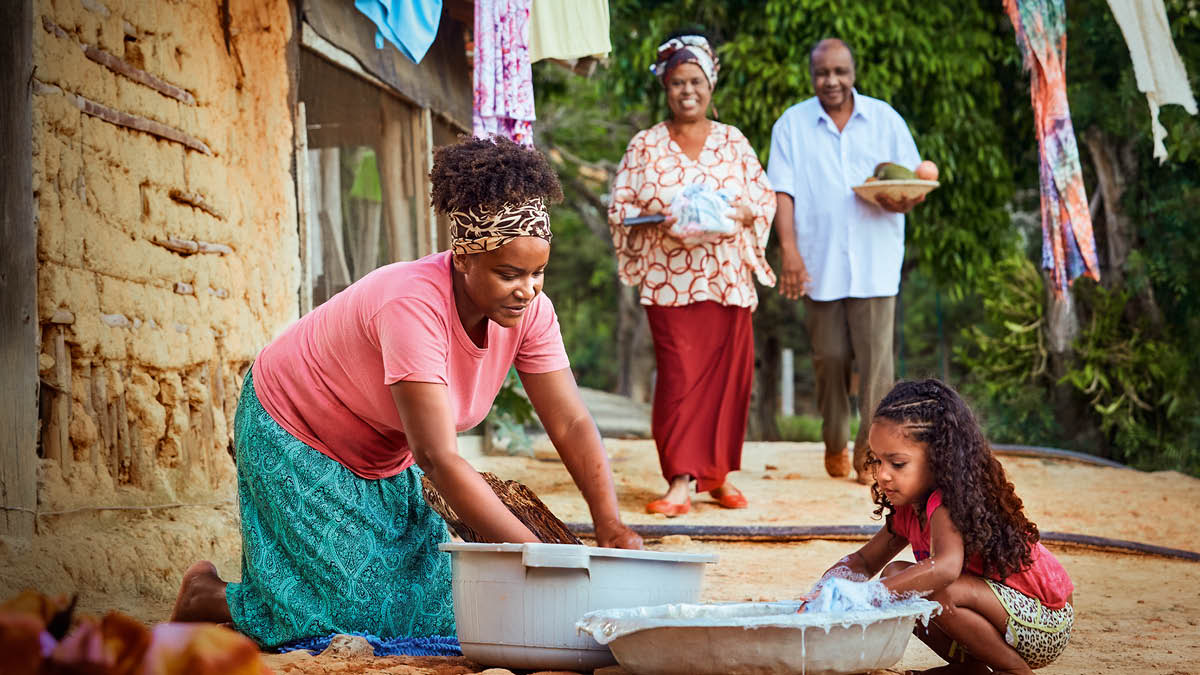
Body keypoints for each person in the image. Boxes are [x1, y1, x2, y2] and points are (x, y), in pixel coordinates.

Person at [169, 136, 643, 648]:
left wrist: (609, 523)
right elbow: (438, 458)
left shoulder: (531, 313)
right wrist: (539, 557)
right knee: (346, 616)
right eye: (509, 273)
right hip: (294, 429)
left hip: (384, 450)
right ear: (464, 259)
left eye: (537, 272)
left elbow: (570, 422)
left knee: (442, 605)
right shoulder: (412, 305)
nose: (527, 289)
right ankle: (209, 596)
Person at [607, 32, 776, 517]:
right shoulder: (645, 146)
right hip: (670, 281)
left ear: (710, 85)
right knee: (680, 380)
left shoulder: (733, 142)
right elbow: (620, 207)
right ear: (666, 86)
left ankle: (718, 476)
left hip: (726, 280)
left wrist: (740, 212)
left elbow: (762, 200)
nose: (687, 91)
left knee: (729, 381)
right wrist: (662, 219)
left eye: (696, 81)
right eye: (678, 81)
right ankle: (681, 479)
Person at [806, 379, 1074, 674]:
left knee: (933, 589)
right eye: (877, 460)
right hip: (1001, 619)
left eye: (897, 464)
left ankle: (1013, 670)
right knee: (898, 576)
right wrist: (826, 592)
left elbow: (945, 569)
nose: (882, 475)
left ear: (939, 459)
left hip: (1044, 622)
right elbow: (864, 560)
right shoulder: (910, 508)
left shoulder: (947, 502)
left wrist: (867, 596)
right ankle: (969, 668)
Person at [767, 38, 930, 484]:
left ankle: (870, 457)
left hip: (876, 263)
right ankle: (835, 440)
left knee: (877, 365)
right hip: (818, 262)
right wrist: (790, 252)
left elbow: (912, 183)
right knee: (830, 359)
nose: (832, 81)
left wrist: (901, 201)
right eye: (823, 72)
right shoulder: (792, 124)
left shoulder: (885, 119)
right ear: (812, 75)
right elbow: (782, 191)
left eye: (840, 71)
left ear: (853, 72)